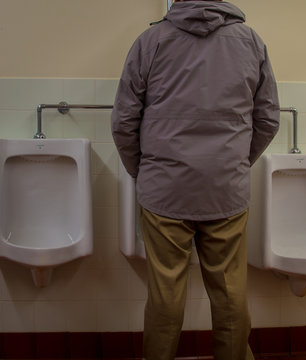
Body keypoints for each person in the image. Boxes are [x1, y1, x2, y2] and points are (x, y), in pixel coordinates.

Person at [111, 0, 280, 359]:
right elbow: (268, 119)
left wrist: (145, 172)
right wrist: (235, 163)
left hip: (165, 193)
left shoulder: (151, 40)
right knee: (230, 292)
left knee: (165, 293)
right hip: (225, 191)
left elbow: (124, 121)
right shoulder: (250, 42)